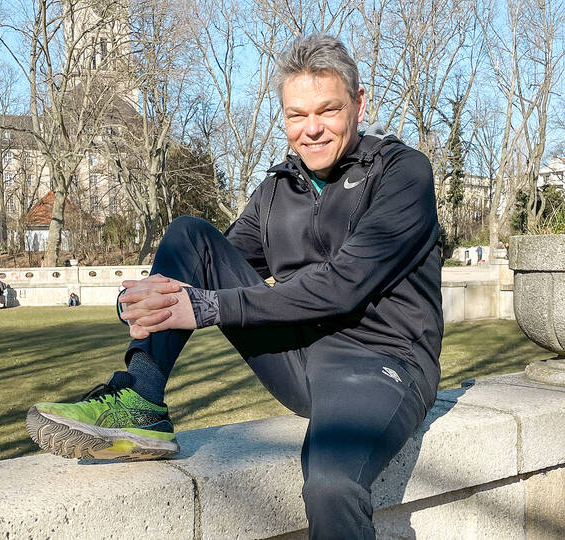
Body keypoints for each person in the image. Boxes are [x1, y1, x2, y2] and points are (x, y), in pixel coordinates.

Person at [27, 35, 442, 539]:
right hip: (300, 357)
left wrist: (204, 307)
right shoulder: (277, 189)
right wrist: (138, 302)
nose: (311, 130)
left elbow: (345, 285)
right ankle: (141, 398)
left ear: (359, 103)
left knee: (330, 485)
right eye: (295, 115)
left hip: (382, 363)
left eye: (328, 110)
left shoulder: (401, 172)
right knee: (188, 234)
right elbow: (203, 266)